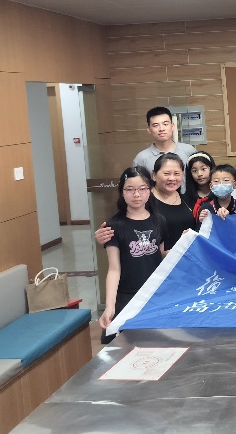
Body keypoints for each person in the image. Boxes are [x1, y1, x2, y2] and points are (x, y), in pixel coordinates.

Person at [98, 166, 166, 344]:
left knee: (156, 344)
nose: (136, 195)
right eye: (129, 189)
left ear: (150, 190)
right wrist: (109, 306)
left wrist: (185, 244)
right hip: (127, 296)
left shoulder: (159, 221)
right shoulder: (114, 225)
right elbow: (114, 269)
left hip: (154, 295)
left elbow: (160, 256)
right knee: (125, 346)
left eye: (142, 189)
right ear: (122, 192)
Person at [95, 153, 195, 252]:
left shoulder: (188, 199)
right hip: (155, 259)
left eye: (177, 174)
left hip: (189, 259)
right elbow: (124, 229)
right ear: (154, 175)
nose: (172, 178)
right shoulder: (141, 201)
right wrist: (104, 237)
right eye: (166, 173)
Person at [132, 107, 196, 175]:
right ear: (149, 130)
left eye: (165, 124)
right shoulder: (141, 159)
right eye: (156, 125)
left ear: (172, 126)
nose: (161, 129)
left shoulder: (188, 151)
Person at [184, 151, 215, 224]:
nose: (199, 174)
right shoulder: (185, 198)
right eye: (194, 171)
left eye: (203, 169)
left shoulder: (219, 195)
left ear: (211, 169)